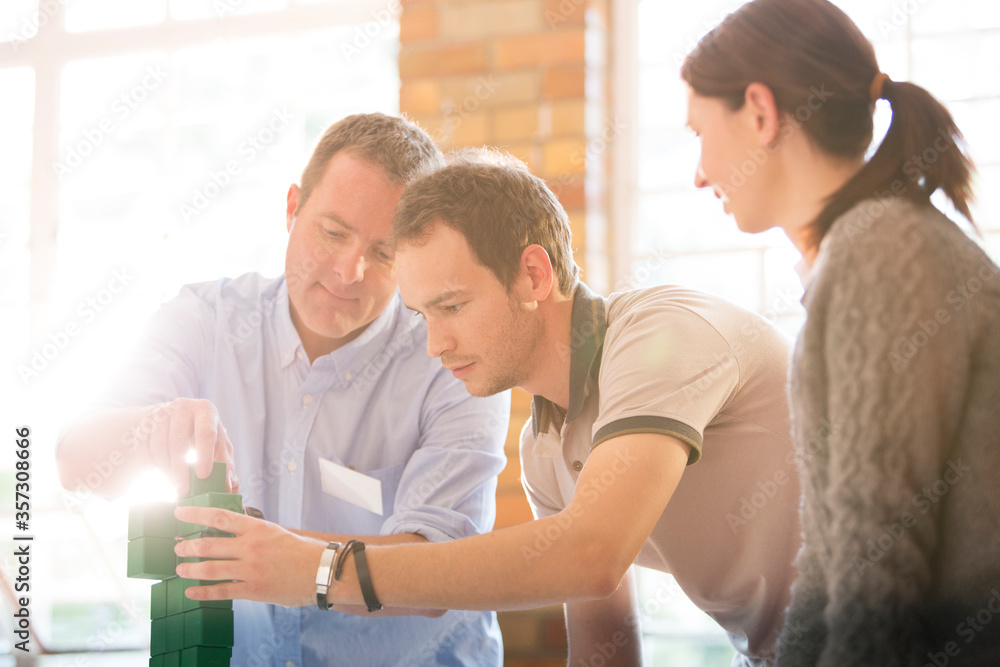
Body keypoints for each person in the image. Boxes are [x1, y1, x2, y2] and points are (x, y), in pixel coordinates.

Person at [173, 149, 802, 666]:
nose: (434, 344)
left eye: (451, 307)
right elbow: (603, 639)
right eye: (420, 316)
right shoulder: (545, 451)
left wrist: (317, 570)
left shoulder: (663, 336)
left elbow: (589, 554)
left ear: (533, 275)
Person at [56, 114, 511, 666]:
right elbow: (74, 463)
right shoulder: (204, 320)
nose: (348, 271)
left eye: (384, 252)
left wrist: (285, 561)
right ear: (292, 207)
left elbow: (441, 575)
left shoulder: (455, 359)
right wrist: (145, 432)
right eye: (333, 232)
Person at [681, 0, 1000, 664]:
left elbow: (877, 581)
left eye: (699, 133)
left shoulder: (882, 253)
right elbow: (831, 559)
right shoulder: (864, 249)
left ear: (761, 114)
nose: (700, 172)